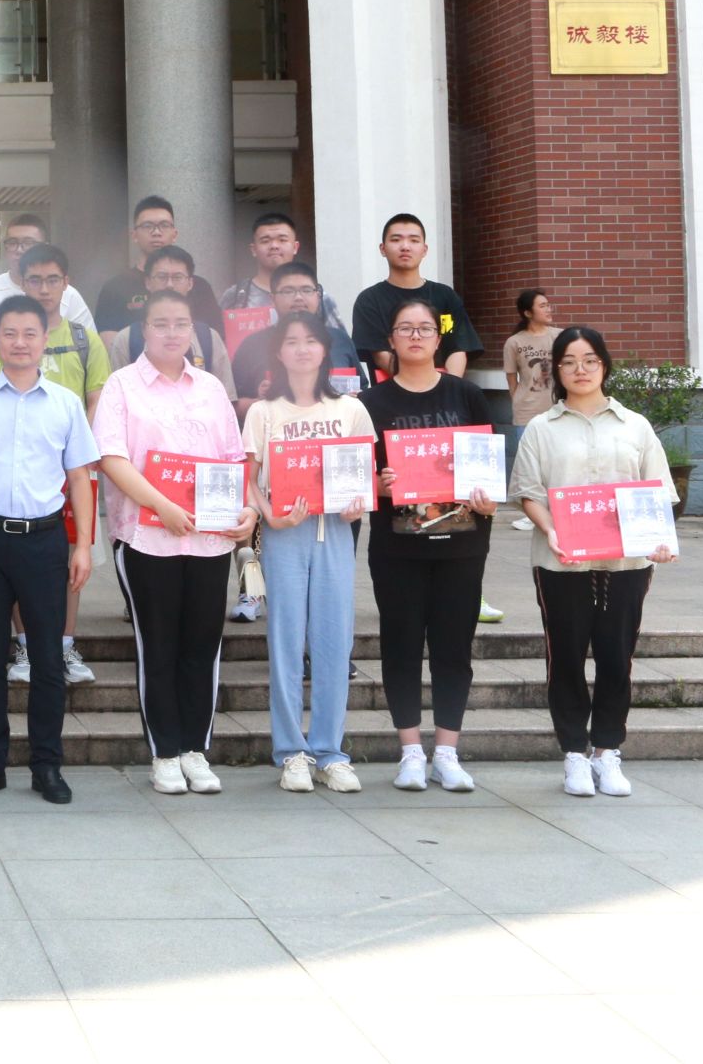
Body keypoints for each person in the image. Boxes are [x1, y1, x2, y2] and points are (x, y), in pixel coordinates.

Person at [91, 290, 256, 797]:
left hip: (208, 540)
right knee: (158, 647)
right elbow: (110, 458)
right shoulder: (122, 385)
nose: (171, 332)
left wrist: (247, 511)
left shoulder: (210, 387)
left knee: (202, 647)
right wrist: (161, 504)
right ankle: (164, 752)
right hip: (147, 537)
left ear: (193, 331)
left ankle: (194, 750)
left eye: (180, 323)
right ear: (143, 329)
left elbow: (234, 459)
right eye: (160, 323)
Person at [513, 326, 679, 800]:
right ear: (556, 370)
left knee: (616, 657)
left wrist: (660, 541)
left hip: (626, 564)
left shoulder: (635, 426)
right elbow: (529, 492)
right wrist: (551, 530)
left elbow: (657, 492)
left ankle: (607, 752)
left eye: (589, 360)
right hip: (560, 562)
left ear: (604, 366)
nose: (580, 369)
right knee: (565, 658)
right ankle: (573, 753)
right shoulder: (542, 428)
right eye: (568, 361)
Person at [0, 295, 99, 805]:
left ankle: (46, 765)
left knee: (48, 660)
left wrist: (83, 545)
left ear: (44, 339)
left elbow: (79, 477)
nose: (19, 342)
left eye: (29, 333)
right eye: (9, 333)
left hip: (44, 541)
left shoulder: (65, 403)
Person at [359, 298, 497, 794]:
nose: (415, 336)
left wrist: (488, 499)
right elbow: (355, 478)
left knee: (453, 648)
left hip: (461, 546)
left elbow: (489, 472)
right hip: (397, 549)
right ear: (391, 340)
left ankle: (447, 753)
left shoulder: (467, 395)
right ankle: (411, 752)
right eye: (405, 329)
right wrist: (379, 484)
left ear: (439, 339)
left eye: (424, 329)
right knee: (400, 646)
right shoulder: (368, 404)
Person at [241, 313, 374, 795]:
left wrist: (358, 503)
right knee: (285, 640)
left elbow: (363, 474)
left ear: (324, 350)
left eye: (311, 341)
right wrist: (269, 516)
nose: (301, 349)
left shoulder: (350, 409)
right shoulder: (264, 412)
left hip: (334, 531)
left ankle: (330, 751)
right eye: (292, 341)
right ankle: (291, 751)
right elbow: (248, 479)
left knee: (334, 641)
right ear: (278, 352)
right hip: (284, 535)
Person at [0, 242, 111, 688]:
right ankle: (25, 646)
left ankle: (64, 644)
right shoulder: (2, 342)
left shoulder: (84, 337)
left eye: (53, 279)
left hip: (73, 469)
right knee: (17, 555)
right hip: (20, 469)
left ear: (66, 283)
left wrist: (74, 452)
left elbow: (97, 398)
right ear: (22, 282)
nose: (44, 287)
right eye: (34, 279)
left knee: (73, 557)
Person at [229, 261, 368, 422]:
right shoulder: (251, 345)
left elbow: (363, 391)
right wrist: (262, 402)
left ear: (318, 295)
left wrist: (351, 399)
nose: (298, 298)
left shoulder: (339, 339)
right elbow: (231, 406)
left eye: (306, 290)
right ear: (272, 298)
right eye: (288, 291)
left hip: (337, 430)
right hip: (277, 431)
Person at [350, 212, 482, 379]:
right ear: (383, 249)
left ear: (424, 250)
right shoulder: (369, 300)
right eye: (396, 240)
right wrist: (420, 385)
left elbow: (457, 347)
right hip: (390, 391)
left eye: (414, 240)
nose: (405, 246)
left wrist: (448, 387)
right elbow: (380, 354)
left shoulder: (445, 297)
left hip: (444, 390)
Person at [103, 248, 239, 400]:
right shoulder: (126, 339)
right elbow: (116, 400)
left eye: (177, 277)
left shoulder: (209, 338)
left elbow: (225, 401)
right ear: (147, 282)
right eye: (162, 277)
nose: (169, 285)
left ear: (190, 283)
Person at [0, 213, 98, 355]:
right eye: (12, 243)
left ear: (45, 246)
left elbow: (90, 348)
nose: (19, 250)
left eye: (28, 243)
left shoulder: (68, 295)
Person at [91, 196, 223, 341]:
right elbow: (109, 341)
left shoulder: (200, 287)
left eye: (164, 225)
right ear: (134, 235)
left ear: (174, 234)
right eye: (147, 226)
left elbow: (214, 339)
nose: (156, 232)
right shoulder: (115, 288)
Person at [219, 212, 347, 331]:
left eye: (282, 240)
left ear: (295, 247)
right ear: (253, 249)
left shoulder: (318, 297)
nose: (274, 246)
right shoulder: (235, 296)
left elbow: (339, 343)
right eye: (265, 241)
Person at [503, 287, 559, 530]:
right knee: (530, 463)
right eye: (542, 305)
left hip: (557, 408)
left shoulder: (560, 336)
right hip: (526, 410)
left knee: (556, 460)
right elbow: (511, 378)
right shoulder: (515, 342)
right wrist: (517, 400)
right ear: (528, 312)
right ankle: (532, 512)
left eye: (548, 304)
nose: (548, 309)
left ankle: (556, 509)